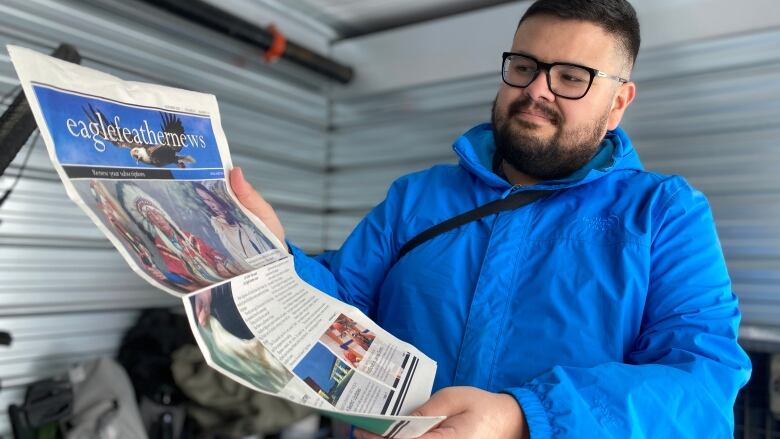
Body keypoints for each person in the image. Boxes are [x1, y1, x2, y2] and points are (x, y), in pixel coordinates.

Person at [229, 0, 752, 437]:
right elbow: (341, 307)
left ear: (617, 104)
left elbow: (701, 387)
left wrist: (525, 417)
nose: (537, 90)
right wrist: (273, 256)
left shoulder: (663, 214)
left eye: (571, 77)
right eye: (525, 66)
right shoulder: (417, 196)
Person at [193, 182, 275, 269]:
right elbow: (234, 249)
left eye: (209, 199)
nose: (209, 205)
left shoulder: (239, 213)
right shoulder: (218, 224)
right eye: (204, 201)